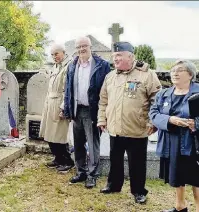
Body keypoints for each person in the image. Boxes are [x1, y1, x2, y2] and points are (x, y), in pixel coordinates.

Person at [149, 60, 199, 212]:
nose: (175, 73)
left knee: (198, 179)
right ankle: (180, 206)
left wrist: (196, 123)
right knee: (176, 176)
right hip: (171, 141)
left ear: (190, 74)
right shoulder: (164, 93)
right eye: (173, 70)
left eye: (180, 70)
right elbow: (153, 113)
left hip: (195, 141)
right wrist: (169, 119)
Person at [97, 42, 161, 204]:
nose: (115, 59)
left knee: (137, 163)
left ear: (130, 57)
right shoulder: (110, 76)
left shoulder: (146, 75)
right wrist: (101, 119)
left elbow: (157, 100)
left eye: (119, 56)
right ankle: (113, 185)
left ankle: (139, 191)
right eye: (113, 56)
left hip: (137, 128)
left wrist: (153, 121)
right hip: (115, 127)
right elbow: (103, 100)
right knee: (115, 159)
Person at [63, 36, 111, 188]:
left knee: (93, 143)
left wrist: (104, 114)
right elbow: (68, 89)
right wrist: (67, 109)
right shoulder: (72, 65)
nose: (81, 49)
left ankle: (92, 175)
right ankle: (81, 171)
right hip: (77, 110)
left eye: (84, 46)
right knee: (78, 143)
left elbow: (107, 90)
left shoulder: (102, 65)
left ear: (90, 47)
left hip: (93, 110)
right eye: (78, 47)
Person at [40, 44, 75, 174]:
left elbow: (68, 89)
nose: (55, 57)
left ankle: (67, 161)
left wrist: (63, 108)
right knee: (49, 132)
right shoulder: (55, 67)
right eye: (52, 54)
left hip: (59, 102)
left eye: (57, 54)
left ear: (63, 53)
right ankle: (57, 158)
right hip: (50, 102)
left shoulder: (68, 66)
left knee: (60, 134)